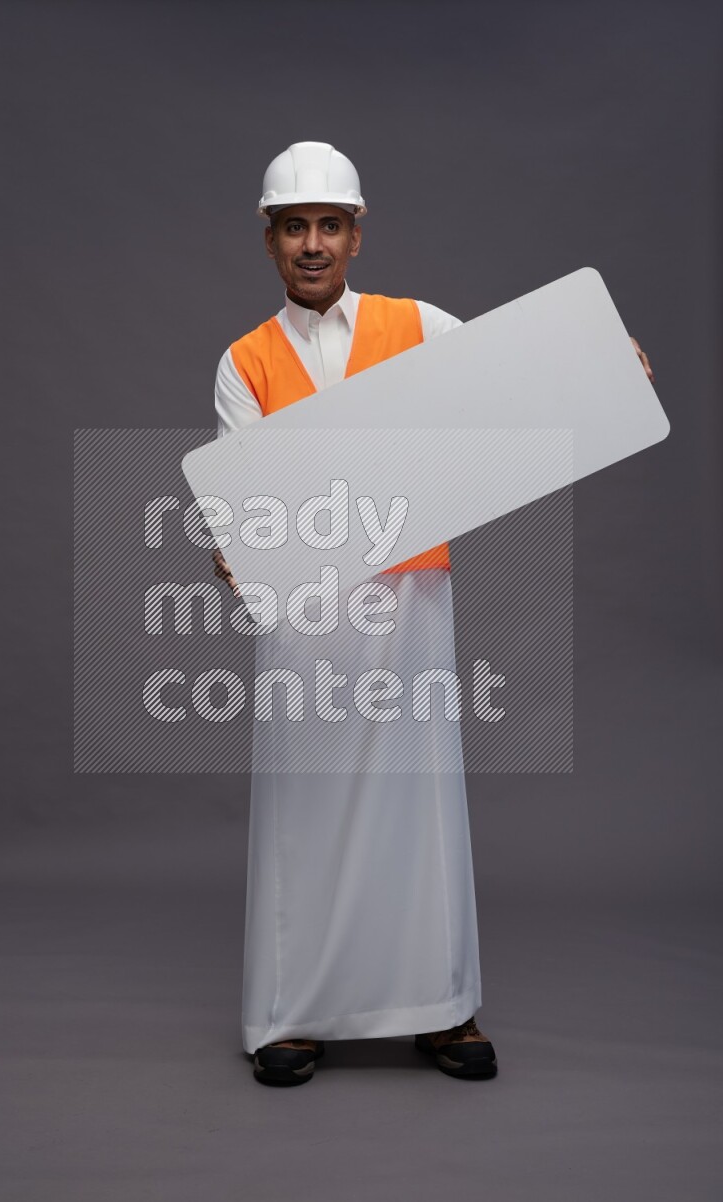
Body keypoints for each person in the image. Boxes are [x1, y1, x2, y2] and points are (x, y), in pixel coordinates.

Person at [212, 142, 654, 1087]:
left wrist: (601, 364)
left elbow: (512, 374)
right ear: (270, 241)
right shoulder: (243, 362)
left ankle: (441, 1008)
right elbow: (247, 501)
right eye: (295, 227)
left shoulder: (418, 325)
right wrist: (234, 541)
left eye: (330, 225)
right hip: (306, 621)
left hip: (409, 599)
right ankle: (292, 1015)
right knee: (305, 807)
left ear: (356, 236)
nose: (313, 243)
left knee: (421, 804)